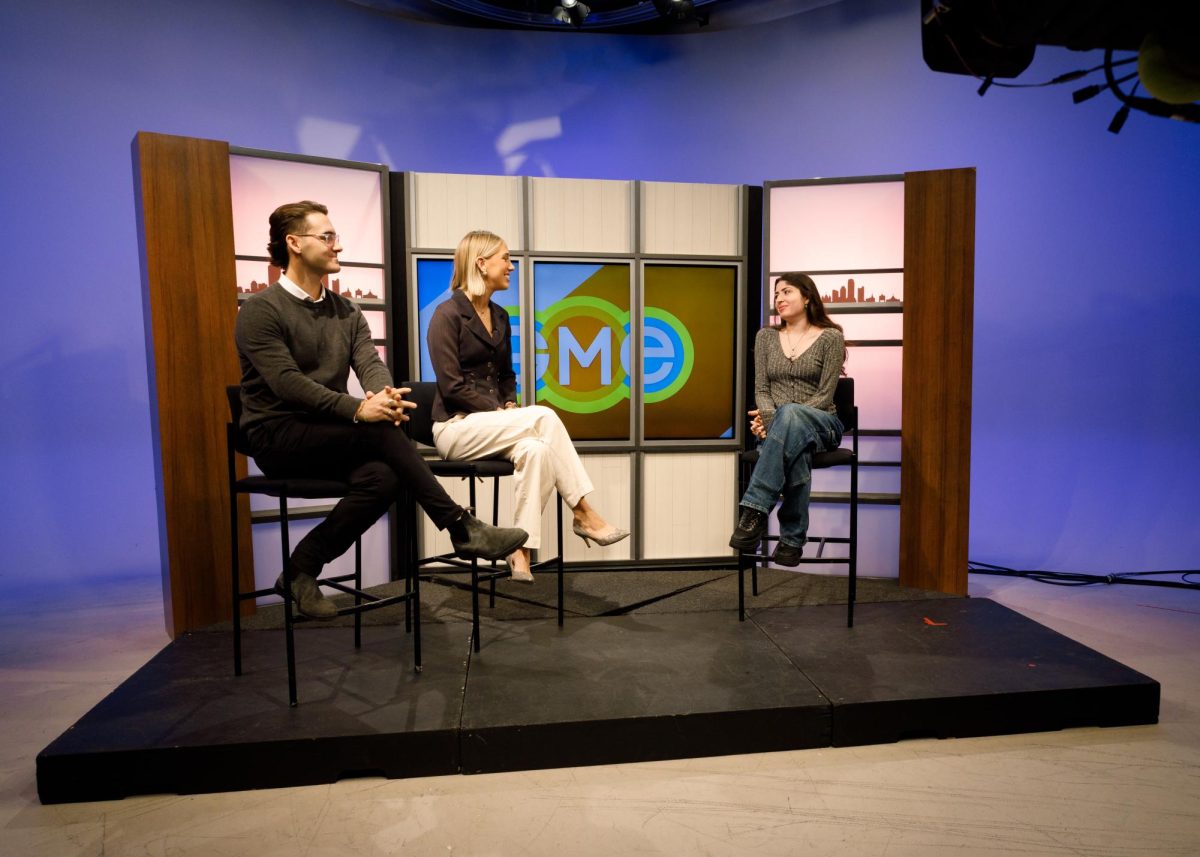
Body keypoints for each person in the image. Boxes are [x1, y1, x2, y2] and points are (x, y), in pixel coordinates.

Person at [235, 201, 528, 619]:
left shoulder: (346, 310)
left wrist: (383, 396)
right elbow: (288, 385)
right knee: (378, 430)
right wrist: (359, 410)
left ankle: (301, 568)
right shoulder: (260, 311)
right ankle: (460, 526)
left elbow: (369, 363)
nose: (338, 245)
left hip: (329, 434)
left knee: (387, 474)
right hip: (278, 434)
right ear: (294, 244)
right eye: (327, 237)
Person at [426, 229, 629, 583]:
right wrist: (501, 410)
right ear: (481, 263)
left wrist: (507, 402)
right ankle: (583, 512)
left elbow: (506, 375)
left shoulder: (500, 316)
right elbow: (452, 387)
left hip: (493, 424)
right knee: (544, 416)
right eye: (505, 258)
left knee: (536, 450)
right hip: (455, 429)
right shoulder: (446, 315)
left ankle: (521, 547)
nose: (511, 266)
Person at [729, 272, 846, 566]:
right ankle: (792, 541)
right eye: (776, 294)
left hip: (823, 425)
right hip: (781, 431)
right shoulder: (766, 337)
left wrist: (774, 420)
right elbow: (762, 389)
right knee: (795, 444)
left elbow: (825, 395)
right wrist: (774, 420)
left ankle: (754, 509)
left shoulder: (831, 337)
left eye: (787, 292)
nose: (779, 299)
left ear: (807, 297)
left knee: (792, 417)